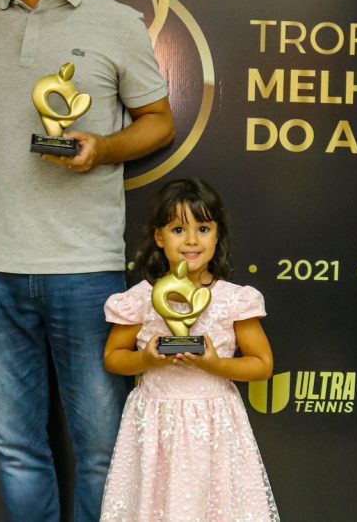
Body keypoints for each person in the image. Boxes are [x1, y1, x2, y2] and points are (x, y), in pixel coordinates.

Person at [0, 0, 175, 521]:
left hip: (84, 270)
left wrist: (102, 148)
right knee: (18, 452)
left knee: (102, 452)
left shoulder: (116, 23)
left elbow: (159, 121)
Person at [101, 178, 279, 521]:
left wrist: (215, 365)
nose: (192, 240)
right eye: (178, 229)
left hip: (215, 425)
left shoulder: (234, 300)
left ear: (217, 235)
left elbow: (262, 364)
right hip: (155, 423)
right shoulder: (141, 298)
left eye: (203, 228)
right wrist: (146, 359)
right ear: (159, 237)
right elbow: (113, 357)